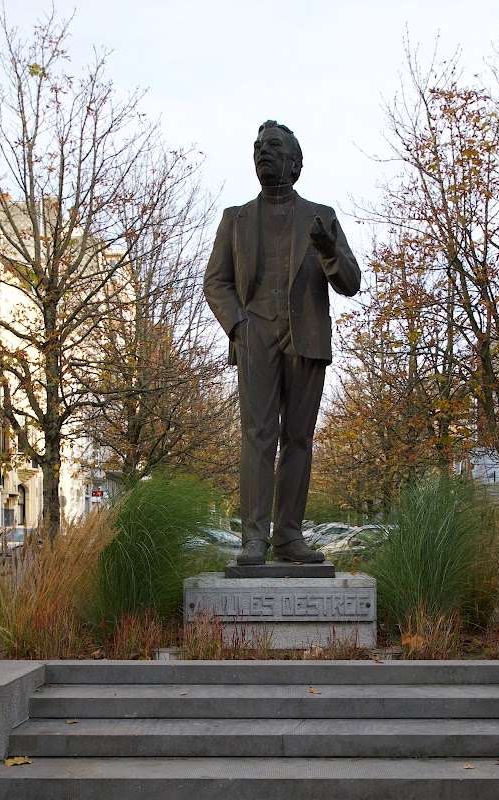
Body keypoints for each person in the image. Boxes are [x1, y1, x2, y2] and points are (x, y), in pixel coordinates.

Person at [204, 121, 361, 565]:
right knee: (257, 436)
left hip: (306, 338)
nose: (262, 152)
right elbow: (215, 283)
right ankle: (254, 537)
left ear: (296, 162)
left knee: (299, 438)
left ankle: (289, 535)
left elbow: (350, 282)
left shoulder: (321, 215)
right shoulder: (236, 219)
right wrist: (239, 327)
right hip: (255, 336)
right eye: (257, 146)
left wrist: (329, 250)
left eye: (273, 146)